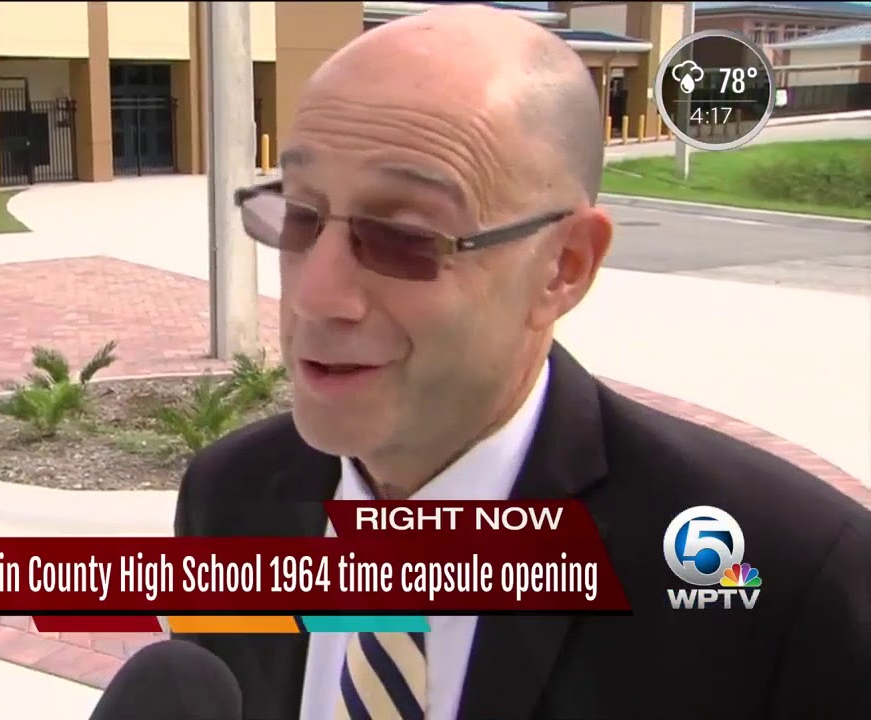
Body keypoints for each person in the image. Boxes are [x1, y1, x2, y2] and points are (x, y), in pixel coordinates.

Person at [173, 6, 868, 720]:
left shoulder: (786, 581)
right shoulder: (228, 501)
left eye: (404, 235)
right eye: (300, 215)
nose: (316, 298)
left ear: (563, 268)